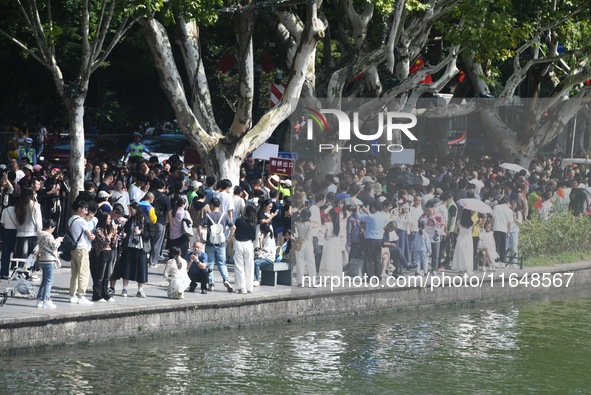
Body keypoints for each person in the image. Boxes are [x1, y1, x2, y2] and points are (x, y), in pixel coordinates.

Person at [198, 197, 235, 293]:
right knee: (222, 263)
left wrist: (202, 238)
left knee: (209, 263)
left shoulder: (208, 216)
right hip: (221, 244)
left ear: (212, 205)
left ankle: (211, 283)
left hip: (210, 243)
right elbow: (233, 227)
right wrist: (229, 238)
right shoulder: (225, 215)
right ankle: (226, 279)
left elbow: (199, 227)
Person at [120, 201, 154, 297]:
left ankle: (140, 290)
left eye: (132, 210)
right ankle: (125, 289)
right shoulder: (130, 220)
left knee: (141, 269)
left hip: (141, 247)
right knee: (127, 268)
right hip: (130, 246)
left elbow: (151, 233)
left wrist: (141, 233)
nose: (130, 211)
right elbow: (126, 230)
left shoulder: (146, 220)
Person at [68, 200, 96, 305]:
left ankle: (72, 295)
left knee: (74, 273)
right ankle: (81, 296)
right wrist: (93, 236)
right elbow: (90, 235)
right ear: (79, 209)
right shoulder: (82, 221)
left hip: (73, 249)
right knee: (83, 273)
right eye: (85, 209)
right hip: (82, 248)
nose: (86, 212)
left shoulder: (71, 219)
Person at [36, 219, 62, 309]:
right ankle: (46, 300)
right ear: (50, 227)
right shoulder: (48, 236)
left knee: (44, 280)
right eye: (53, 228)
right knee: (49, 281)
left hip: (42, 259)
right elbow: (54, 246)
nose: (53, 230)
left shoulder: (39, 235)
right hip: (49, 260)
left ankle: (40, 299)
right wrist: (58, 240)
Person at [91, 212, 116, 302]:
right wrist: (110, 234)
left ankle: (105, 293)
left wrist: (114, 236)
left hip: (109, 252)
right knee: (100, 275)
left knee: (107, 275)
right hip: (102, 253)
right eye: (108, 219)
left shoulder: (107, 229)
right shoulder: (98, 230)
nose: (109, 221)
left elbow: (112, 243)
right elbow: (105, 241)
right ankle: (97, 294)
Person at [233, 205, 257, 294]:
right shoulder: (253, 222)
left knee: (239, 265)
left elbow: (235, 231)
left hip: (238, 242)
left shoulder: (239, 220)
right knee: (250, 265)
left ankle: (241, 287)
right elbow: (254, 237)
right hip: (248, 243)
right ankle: (249, 287)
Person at [318, 208, 343, 277]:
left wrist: (322, 241)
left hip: (329, 242)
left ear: (331, 216)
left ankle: (326, 274)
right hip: (337, 243)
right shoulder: (338, 225)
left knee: (328, 257)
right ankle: (335, 274)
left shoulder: (327, 224)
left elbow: (321, 233)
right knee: (336, 258)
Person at [451, 209, 475, 275]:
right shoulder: (472, 222)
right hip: (468, 240)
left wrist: (460, 233)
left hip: (461, 239)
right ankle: (467, 269)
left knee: (460, 254)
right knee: (468, 254)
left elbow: (455, 230)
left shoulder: (459, 222)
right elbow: (472, 232)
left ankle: (460, 270)